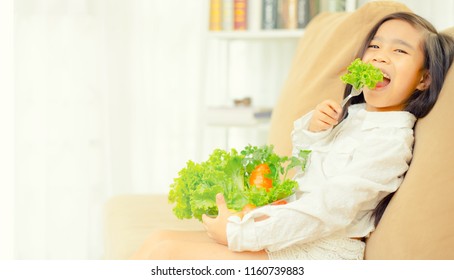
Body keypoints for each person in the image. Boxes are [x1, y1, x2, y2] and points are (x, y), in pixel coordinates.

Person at [131, 12, 454, 260]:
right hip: (293, 234)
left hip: (323, 253)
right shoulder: (354, 116)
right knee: (157, 240)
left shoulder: (390, 141)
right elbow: (306, 163)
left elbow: (331, 207)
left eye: (399, 51)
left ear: (424, 79)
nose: (381, 56)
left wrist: (241, 234)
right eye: (375, 45)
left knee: (165, 254)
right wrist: (314, 131)